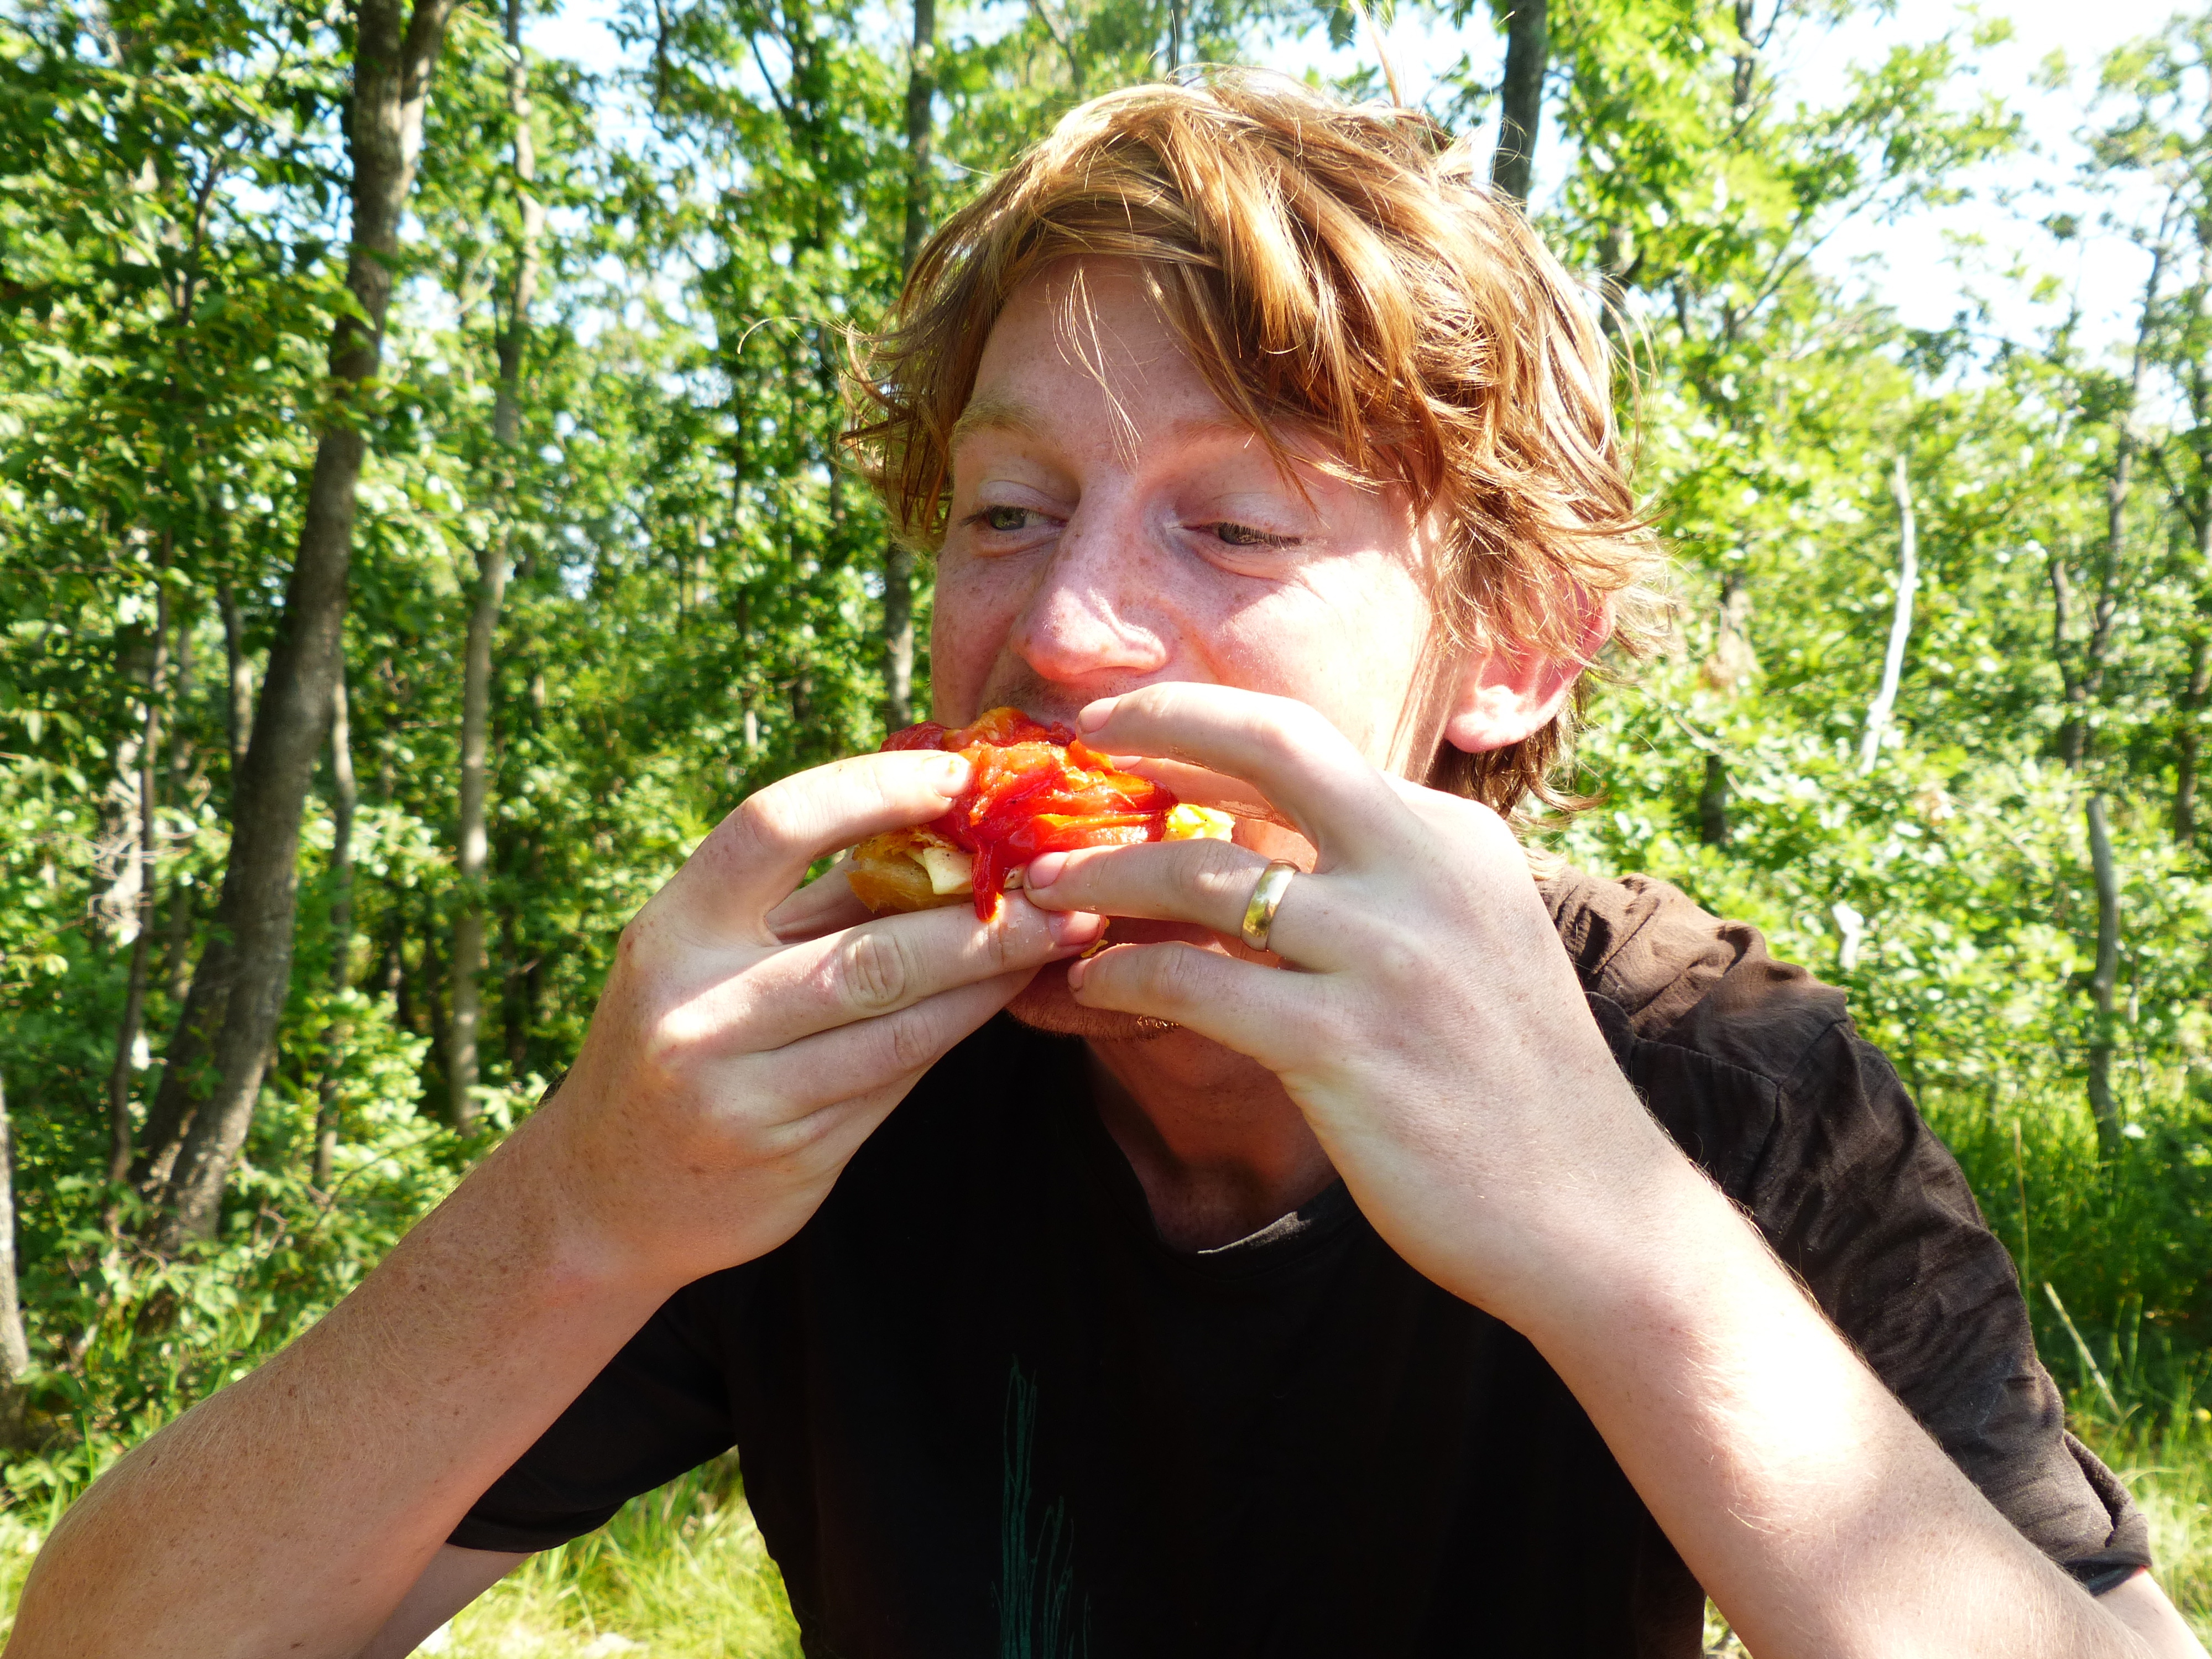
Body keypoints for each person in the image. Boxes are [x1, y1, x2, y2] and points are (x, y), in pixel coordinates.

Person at [12, 75, 2206, 1659]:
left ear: (1518, 649)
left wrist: (1617, 1243)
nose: (1062, 632)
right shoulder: (826, 1077)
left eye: (1231, 527)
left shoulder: (1713, 1071)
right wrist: (586, 1206)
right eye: (1007, 511)